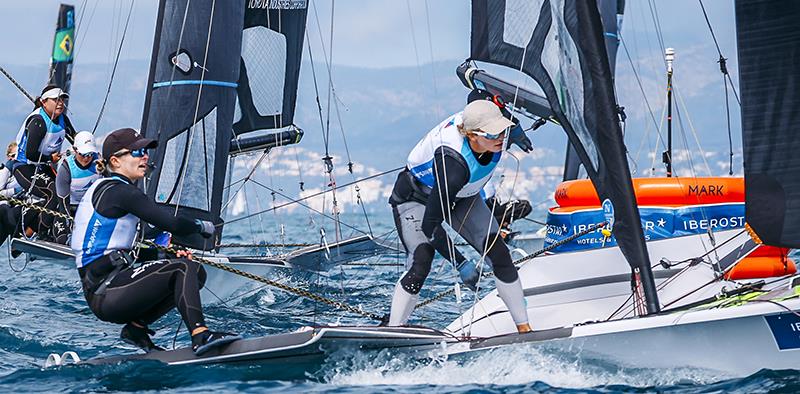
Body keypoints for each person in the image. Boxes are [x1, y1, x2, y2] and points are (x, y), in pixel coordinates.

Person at [71, 128, 240, 355]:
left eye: (146, 151)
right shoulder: (120, 192)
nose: (145, 156)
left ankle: (136, 329)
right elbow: (172, 223)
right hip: (107, 291)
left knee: (194, 272)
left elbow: (122, 252)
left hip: (106, 288)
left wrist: (165, 255)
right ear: (115, 161)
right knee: (183, 268)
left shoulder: (109, 189)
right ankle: (201, 335)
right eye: (137, 151)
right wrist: (202, 226)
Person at [387, 100, 532, 333]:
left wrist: (515, 130)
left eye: (503, 130)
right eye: (495, 133)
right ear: (473, 135)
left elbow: (482, 94)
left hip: (464, 196)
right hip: (417, 198)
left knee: (499, 254)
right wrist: (461, 263)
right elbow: (430, 225)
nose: (501, 138)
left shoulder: (493, 131)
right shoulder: (453, 167)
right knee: (421, 260)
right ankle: (394, 330)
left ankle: (525, 328)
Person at [13, 85, 77, 240]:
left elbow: (75, 137)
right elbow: (31, 154)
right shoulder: (38, 122)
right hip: (24, 167)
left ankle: (58, 233)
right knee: (53, 193)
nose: (60, 103)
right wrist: (50, 159)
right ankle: (39, 233)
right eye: (56, 99)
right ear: (44, 102)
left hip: (43, 166)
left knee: (65, 192)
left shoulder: (62, 119)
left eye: (62, 99)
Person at [53, 131, 102, 243]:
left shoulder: (99, 163)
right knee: (61, 239)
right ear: (75, 150)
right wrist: (70, 224)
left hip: (91, 210)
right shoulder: (66, 168)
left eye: (90, 154)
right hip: (70, 209)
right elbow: (63, 202)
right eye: (83, 154)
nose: (86, 158)